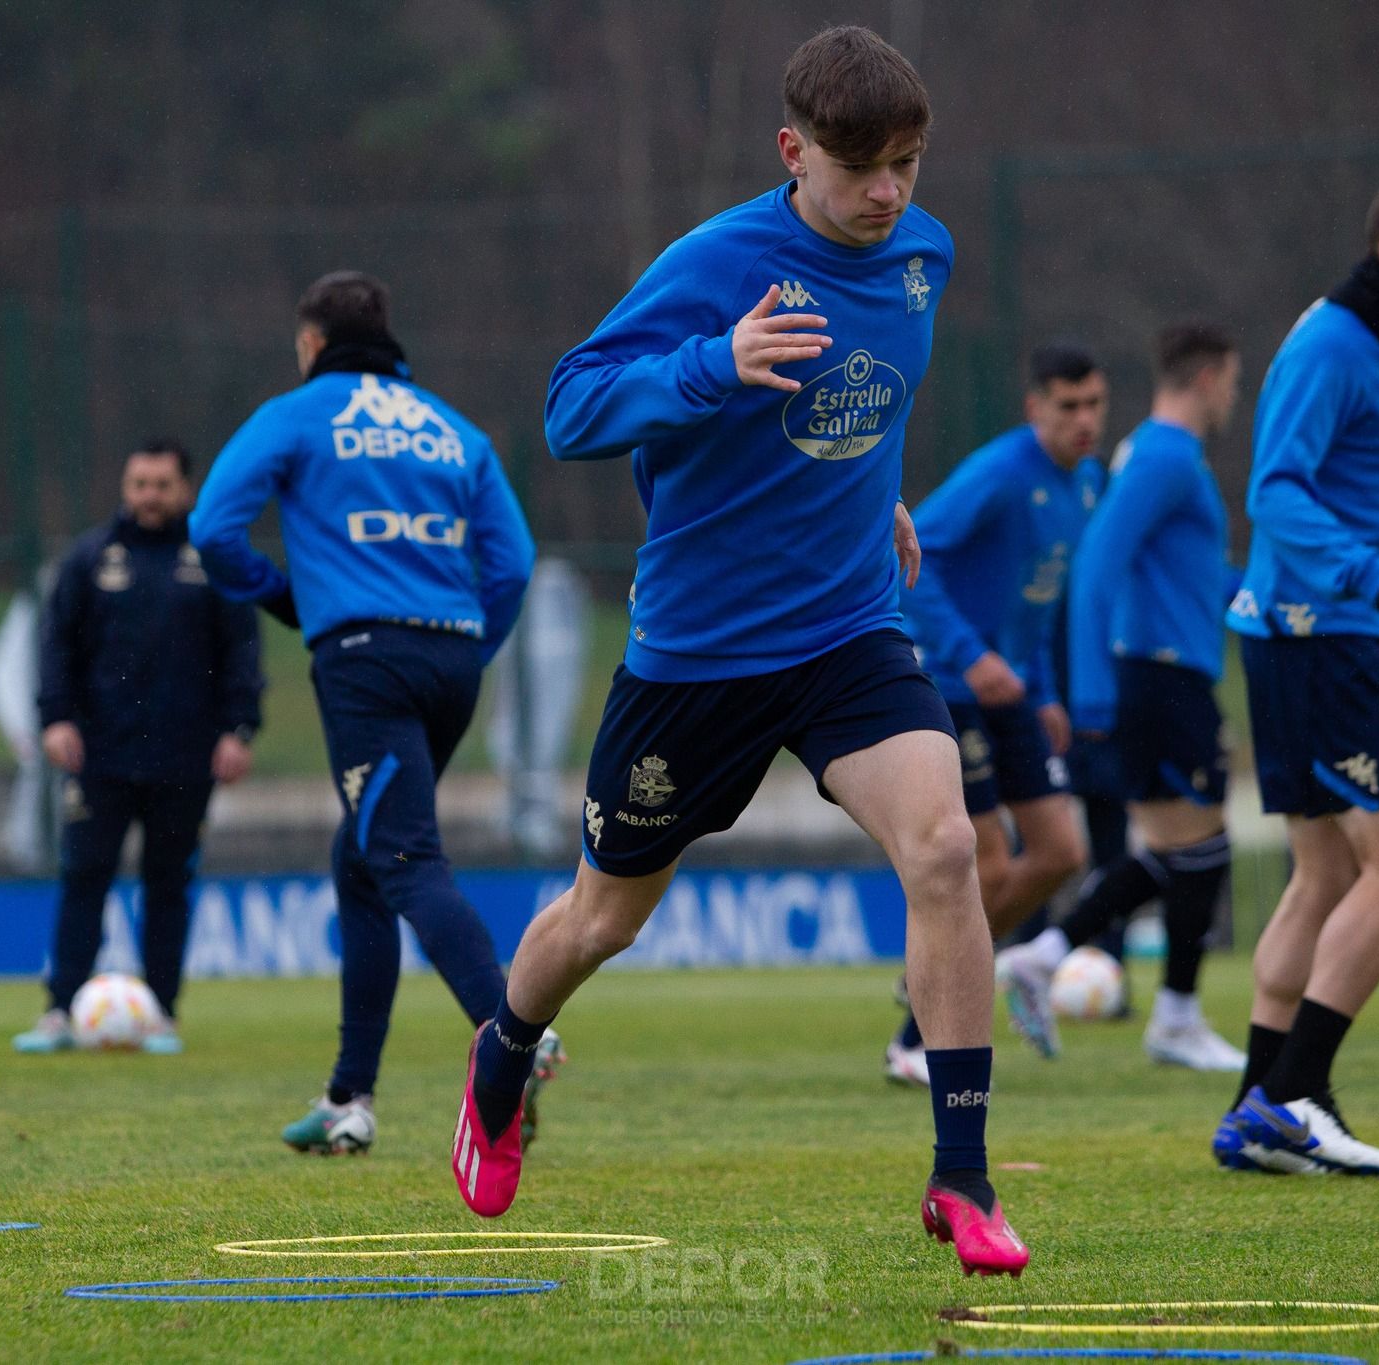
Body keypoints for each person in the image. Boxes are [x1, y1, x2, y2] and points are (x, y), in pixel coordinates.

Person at [448, 25, 1030, 1278]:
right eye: (861, 165)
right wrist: (714, 364)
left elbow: (858, 400)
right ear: (791, 152)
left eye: (909, 164)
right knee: (601, 921)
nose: (888, 192)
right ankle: (501, 1055)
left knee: (943, 849)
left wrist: (875, 497)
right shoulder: (717, 264)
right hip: (698, 656)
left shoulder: (923, 255)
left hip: (848, 629)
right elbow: (570, 408)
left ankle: (961, 1181)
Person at [189, 270, 542, 1155]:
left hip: (363, 661)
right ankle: (350, 1097)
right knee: (362, 859)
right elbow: (513, 564)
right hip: (452, 657)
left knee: (405, 857)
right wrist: (468, 644)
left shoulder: (299, 413)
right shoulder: (452, 428)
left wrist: (286, 600)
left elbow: (213, 528)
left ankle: (517, 1031)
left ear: (311, 344)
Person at [1214, 165, 1379, 1176]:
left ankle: (1257, 1101)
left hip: (1316, 629)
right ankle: (1289, 1098)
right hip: (1315, 632)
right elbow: (1272, 491)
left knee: (1326, 874)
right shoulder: (1334, 343)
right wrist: (1374, 578)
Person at [995, 324, 1250, 1074]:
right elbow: (1099, 561)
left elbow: (1187, 574)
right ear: (1208, 379)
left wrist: (1262, 594)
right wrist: (1096, 697)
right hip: (1160, 679)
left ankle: (1047, 955)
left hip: (1162, 673)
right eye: (1234, 381)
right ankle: (1173, 1017)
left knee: (1181, 852)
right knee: (1201, 851)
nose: (1236, 396)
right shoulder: (1168, 456)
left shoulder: (1151, 451)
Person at [889, 343, 1104, 1082]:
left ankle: (941, 964)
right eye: (1068, 406)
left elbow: (1036, 603)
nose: (1084, 420)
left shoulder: (1084, 486)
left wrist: (1042, 690)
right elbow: (914, 560)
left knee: (1061, 853)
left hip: (1012, 687)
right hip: (952, 680)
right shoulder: (998, 474)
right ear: (1035, 407)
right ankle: (916, 1030)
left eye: (1094, 405)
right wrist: (970, 652)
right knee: (986, 857)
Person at [13, 439, 264, 1056]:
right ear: (125, 488)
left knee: (169, 883)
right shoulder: (90, 558)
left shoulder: (211, 559)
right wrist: (55, 720)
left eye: (161, 484)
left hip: (185, 757)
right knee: (83, 878)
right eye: (138, 484)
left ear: (185, 490)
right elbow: (54, 647)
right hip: (99, 754)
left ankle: (161, 1014)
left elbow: (242, 652)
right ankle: (59, 1010)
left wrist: (239, 728)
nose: (148, 496)